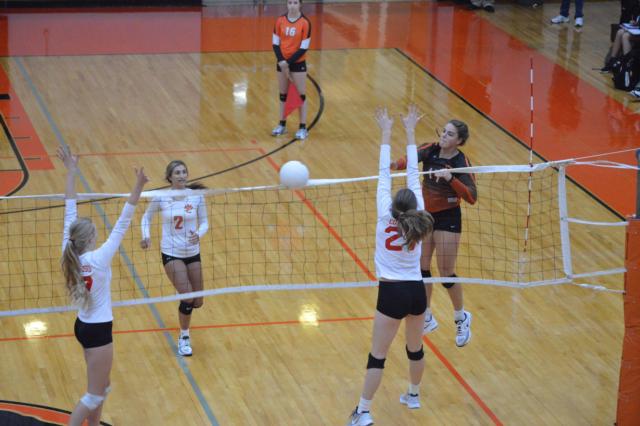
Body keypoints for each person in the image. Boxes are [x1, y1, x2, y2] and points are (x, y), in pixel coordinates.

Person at [347, 106, 434, 426]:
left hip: (391, 292)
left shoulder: (385, 211)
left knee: (377, 356)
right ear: (413, 205)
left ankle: (364, 412)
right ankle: (413, 394)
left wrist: (386, 131)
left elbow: (385, 173)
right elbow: (414, 173)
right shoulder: (421, 216)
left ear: (394, 205)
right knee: (415, 349)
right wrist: (411, 131)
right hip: (416, 292)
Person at [59, 146, 148, 426]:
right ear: (90, 239)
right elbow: (125, 219)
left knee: (103, 386)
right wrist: (138, 185)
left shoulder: (68, 250)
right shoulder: (99, 258)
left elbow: (69, 207)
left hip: (84, 326)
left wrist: (71, 171)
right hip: (98, 330)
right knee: (93, 395)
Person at [391, 119, 477, 347]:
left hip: (449, 217)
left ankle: (461, 316)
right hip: (426, 217)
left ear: (459, 141)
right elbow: (408, 159)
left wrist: (451, 178)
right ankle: (427, 314)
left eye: (449, 134)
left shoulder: (461, 162)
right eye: (443, 132)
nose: (444, 137)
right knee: (422, 267)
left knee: (446, 272)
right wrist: (393, 164)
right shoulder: (430, 150)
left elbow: (471, 197)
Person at [140, 160, 208, 357]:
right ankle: (184, 336)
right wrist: (146, 236)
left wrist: (199, 234)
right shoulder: (162, 198)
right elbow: (146, 218)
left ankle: (186, 314)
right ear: (169, 177)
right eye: (177, 172)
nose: (181, 175)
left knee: (198, 301)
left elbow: (204, 222)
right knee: (187, 298)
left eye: (184, 172)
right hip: (171, 252)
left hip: (193, 251)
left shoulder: (196, 197)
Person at [271, 0, 311, 140]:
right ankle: (282, 124)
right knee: (283, 95)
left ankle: (303, 127)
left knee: (301, 95)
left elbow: (303, 47)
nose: (292, 5)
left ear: (300, 4)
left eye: (295, 2)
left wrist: (288, 62)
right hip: (282, 63)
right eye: (289, 2)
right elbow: (275, 43)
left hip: (297, 63)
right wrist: (281, 60)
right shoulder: (280, 20)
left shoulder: (305, 23)